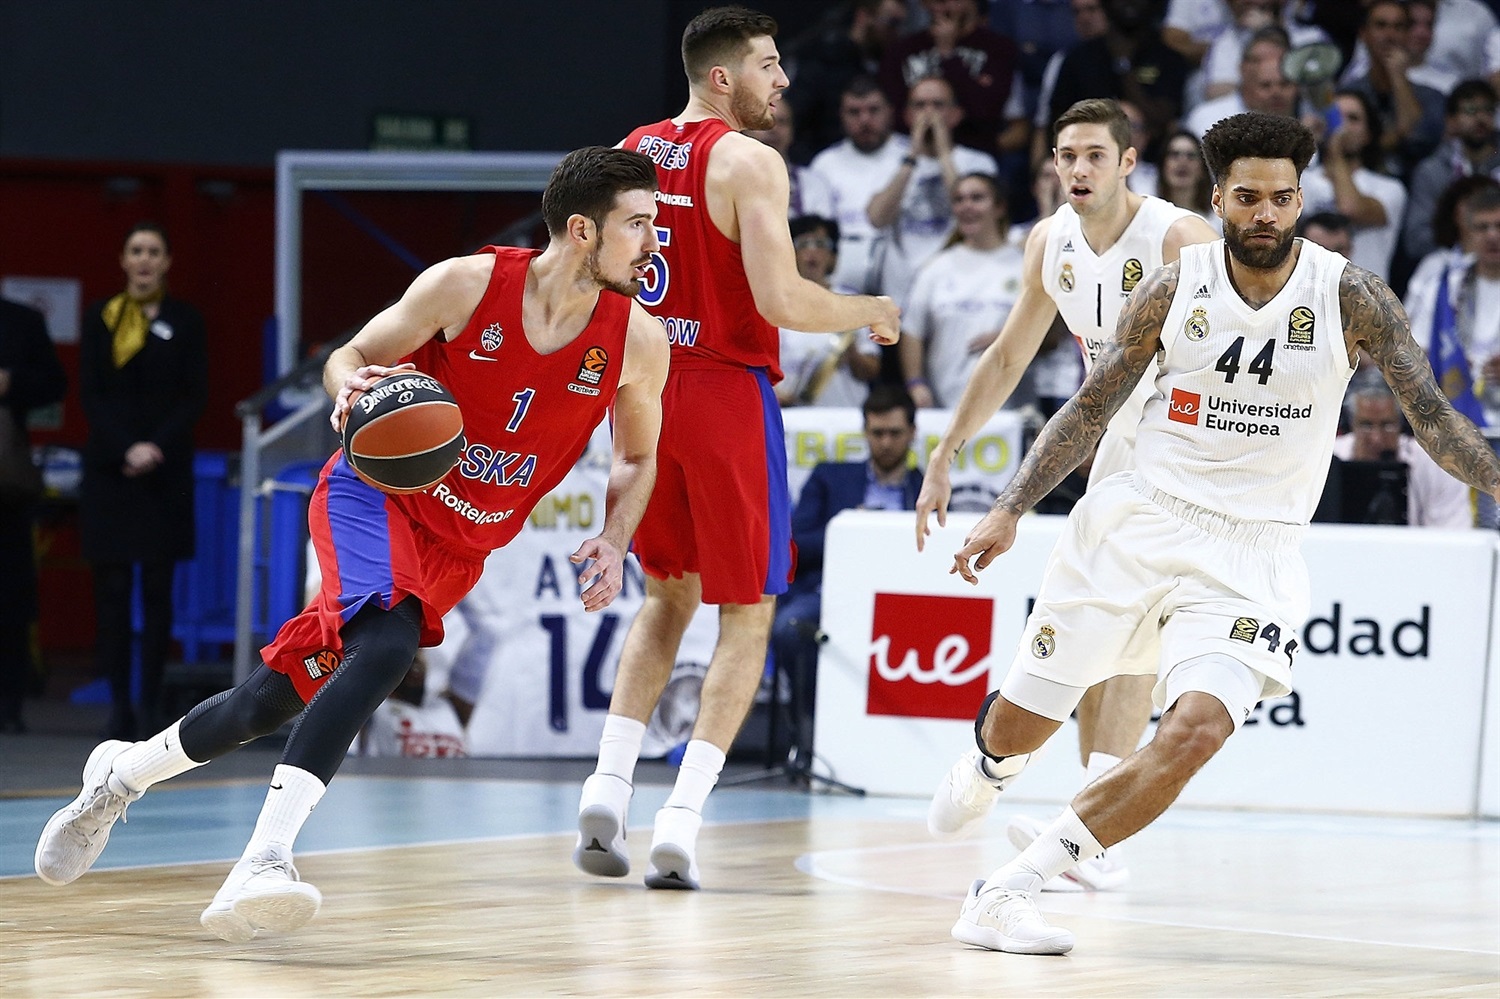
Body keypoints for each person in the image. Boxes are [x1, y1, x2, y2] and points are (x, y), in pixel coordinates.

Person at [34, 145, 671, 942]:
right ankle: (264, 857)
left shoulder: (640, 341)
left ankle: (117, 778)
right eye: (639, 224)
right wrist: (350, 390)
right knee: (385, 646)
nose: (654, 242)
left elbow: (638, 454)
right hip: (373, 496)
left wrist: (616, 537)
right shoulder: (466, 284)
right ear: (582, 230)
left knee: (267, 701)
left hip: (459, 547)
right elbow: (350, 356)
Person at [925, 111, 1500, 955]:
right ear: (1218, 199)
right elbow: (1088, 412)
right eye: (1247, 198)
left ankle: (1008, 890)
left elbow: (1437, 422)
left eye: (1281, 198)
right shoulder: (1172, 286)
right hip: (1140, 520)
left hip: (1254, 552)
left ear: (1300, 198)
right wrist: (1011, 505)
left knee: (1196, 730)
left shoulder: (1351, 294)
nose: (1265, 214)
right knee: (1022, 720)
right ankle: (989, 764)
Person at [575, 6, 900, 892]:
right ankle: (680, 817)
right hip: (720, 389)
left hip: (642, 385)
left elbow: (597, 277)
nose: (783, 81)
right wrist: (869, 310)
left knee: (664, 596)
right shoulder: (750, 161)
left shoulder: (628, 151)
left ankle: (606, 789)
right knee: (747, 610)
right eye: (768, 65)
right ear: (723, 78)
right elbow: (785, 300)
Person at [915, 97, 1218, 892]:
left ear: (1128, 161)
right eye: (1066, 156)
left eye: (1094, 155)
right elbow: (1010, 354)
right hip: (1108, 446)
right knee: (1115, 630)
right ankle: (1032, 782)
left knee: (1134, 629)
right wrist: (945, 451)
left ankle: (1029, 785)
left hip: (1187, 452)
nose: (1077, 169)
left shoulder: (1181, 237)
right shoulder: (1049, 240)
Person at [78, 222, 208, 741]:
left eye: (154, 251)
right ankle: (118, 707)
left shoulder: (186, 320)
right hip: (110, 472)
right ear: (123, 260)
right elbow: (91, 394)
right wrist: (124, 447)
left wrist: (155, 447)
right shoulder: (102, 317)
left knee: (158, 593)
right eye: (136, 251)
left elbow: (193, 395)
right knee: (110, 592)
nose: (145, 260)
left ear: (168, 261)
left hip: (164, 472)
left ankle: (151, 704)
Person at [772, 384, 922, 748]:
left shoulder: (926, 487)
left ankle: (903, 744)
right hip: (830, 592)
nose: (885, 442)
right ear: (865, 432)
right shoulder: (831, 477)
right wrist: (847, 528)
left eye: (895, 433)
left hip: (902, 598)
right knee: (789, 630)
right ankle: (813, 734)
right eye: (877, 433)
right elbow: (794, 543)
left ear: (913, 434)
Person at [868, 74, 1000, 306]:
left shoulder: (978, 163)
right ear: (908, 116)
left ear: (956, 114)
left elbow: (971, 211)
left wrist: (943, 154)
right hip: (900, 293)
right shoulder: (888, 160)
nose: (928, 113)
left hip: (957, 289)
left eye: (938, 105)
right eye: (920, 105)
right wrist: (912, 156)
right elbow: (877, 219)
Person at [899, 172, 1027, 410]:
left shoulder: (1023, 266)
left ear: (999, 207)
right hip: (944, 407)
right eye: (959, 200)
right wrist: (915, 383)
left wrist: (1012, 339)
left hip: (1010, 412)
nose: (966, 206)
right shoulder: (935, 268)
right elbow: (912, 330)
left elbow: (1051, 332)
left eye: (976, 198)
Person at [0, 298, 67, 733]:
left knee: (9, 594)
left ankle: (8, 704)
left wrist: (10, 382)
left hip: (4, 487)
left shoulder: (19, 320)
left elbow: (54, 384)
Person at [879, 0, 1029, 158]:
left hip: (974, 155)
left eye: (946, 1)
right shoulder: (901, 51)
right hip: (912, 153)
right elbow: (893, 114)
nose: (938, 8)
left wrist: (949, 55)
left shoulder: (999, 49)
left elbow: (987, 112)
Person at [1405, 180, 1500, 427]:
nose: (1492, 236)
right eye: (1482, 227)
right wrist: (1450, 364)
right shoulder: (1444, 285)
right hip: (1456, 420)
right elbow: (1416, 348)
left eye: (1499, 226)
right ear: (1468, 231)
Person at [808, 75, 908, 294]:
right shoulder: (825, 163)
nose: (864, 120)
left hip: (898, 255)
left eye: (873, 110)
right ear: (841, 116)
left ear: (890, 111)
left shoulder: (909, 154)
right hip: (843, 258)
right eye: (854, 112)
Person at [1299, 89, 1409, 281]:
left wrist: (1335, 150)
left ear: (1368, 134)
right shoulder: (1301, 181)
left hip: (1366, 300)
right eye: (1335, 117)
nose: (1342, 126)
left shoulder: (1389, 188)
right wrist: (1300, 139)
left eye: (1353, 118)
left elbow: (1350, 208)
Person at [776, 215, 884, 407]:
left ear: (832, 255)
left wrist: (849, 351)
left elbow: (872, 369)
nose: (812, 252)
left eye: (820, 243)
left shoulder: (853, 302)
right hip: (790, 417)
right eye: (804, 244)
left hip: (844, 416)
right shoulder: (774, 304)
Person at [1333, 381, 1473, 527]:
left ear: (1403, 425)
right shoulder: (1327, 460)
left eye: (1387, 425)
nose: (1376, 438)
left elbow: (1452, 534)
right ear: (1351, 425)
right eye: (1366, 425)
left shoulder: (1439, 465)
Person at [786, 0, 910, 161]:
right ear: (864, 16)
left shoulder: (890, 64)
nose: (897, 32)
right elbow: (795, 118)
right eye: (892, 23)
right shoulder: (825, 60)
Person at [1402, 79, 1500, 263]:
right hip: (1448, 264)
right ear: (1451, 120)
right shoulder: (1432, 171)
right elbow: (1416, 240)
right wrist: (1466, 241)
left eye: (1488, 110)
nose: (1480, 118)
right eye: (1471, 111)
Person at [1184, 26, 1299, 139]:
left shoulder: (1305, 126)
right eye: (1266, 86)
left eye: (1285, 84)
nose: (1276, 92)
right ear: (1244, 73)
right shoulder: (1208, 119)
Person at [745, 100, 835, 220]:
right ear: (745, 130)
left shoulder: (813, 184)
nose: (773, 128)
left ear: (792, 131)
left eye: (781, 122)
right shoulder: (726, 180)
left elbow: (821, 232)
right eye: (763, 120)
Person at [1156, 130, 1220, 231]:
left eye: (1191, 156)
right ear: (1163, 165)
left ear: (1202, 169)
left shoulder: (1217, 221)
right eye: (1174, 154)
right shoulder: (1150, 214)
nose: (1182, 162)